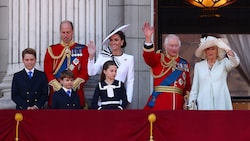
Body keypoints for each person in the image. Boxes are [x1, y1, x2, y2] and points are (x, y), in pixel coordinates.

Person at [142, 22, 191, 110]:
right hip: (160, 103)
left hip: (178, 104)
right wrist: (148, 38)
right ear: (165, 46)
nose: (174, 48)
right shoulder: (158, 58)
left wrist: (186, 100)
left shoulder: (184, 63)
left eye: (176, 46)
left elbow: (187, 86)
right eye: (171, 46)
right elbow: (148, 57)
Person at [44, 20, 89, 108]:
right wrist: (60, 88)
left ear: (72, 32)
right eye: (63, 32)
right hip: (56, 95)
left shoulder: (82, 49)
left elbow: (85, 72)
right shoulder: (52, 50)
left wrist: (73, 85)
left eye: (68, 32)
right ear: (60, 32)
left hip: (76, 95)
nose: (65, 35)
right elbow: (47, 72)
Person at [187, 36, 240, 110]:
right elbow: (195, 89)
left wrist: (226, 48)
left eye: (213, 49)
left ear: (217, 51)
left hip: (221, 103)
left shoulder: (223, 63)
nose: (210, 52)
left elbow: (235, 62)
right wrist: (191, 105)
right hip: (204, 104)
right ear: (205, 51)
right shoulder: (198, 66)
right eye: (208, 49)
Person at [87, 24, 134, 106]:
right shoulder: (103, 55)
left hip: (120, 99)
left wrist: (128, 100)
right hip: (104, 99)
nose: (113, 42)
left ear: (122, 42)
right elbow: (91, 72)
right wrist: (91, 56)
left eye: (116, 40)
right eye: (111, 40)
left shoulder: (129, 59)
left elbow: (130, 81)